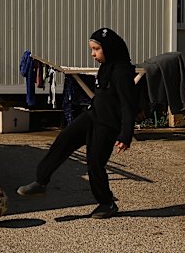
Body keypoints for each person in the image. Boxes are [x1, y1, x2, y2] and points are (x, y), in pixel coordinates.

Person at [17, 27, 137, 219]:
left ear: (109, 48)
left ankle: (107, 203)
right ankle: (40, 182)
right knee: (64, 140)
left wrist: (125, 135)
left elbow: (128, 105)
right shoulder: (105, 67)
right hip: (92, 116)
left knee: (94, 163)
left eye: (96, 49)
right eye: (92, 49)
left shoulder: (122, 72)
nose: (93, 54)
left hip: (107, 125)